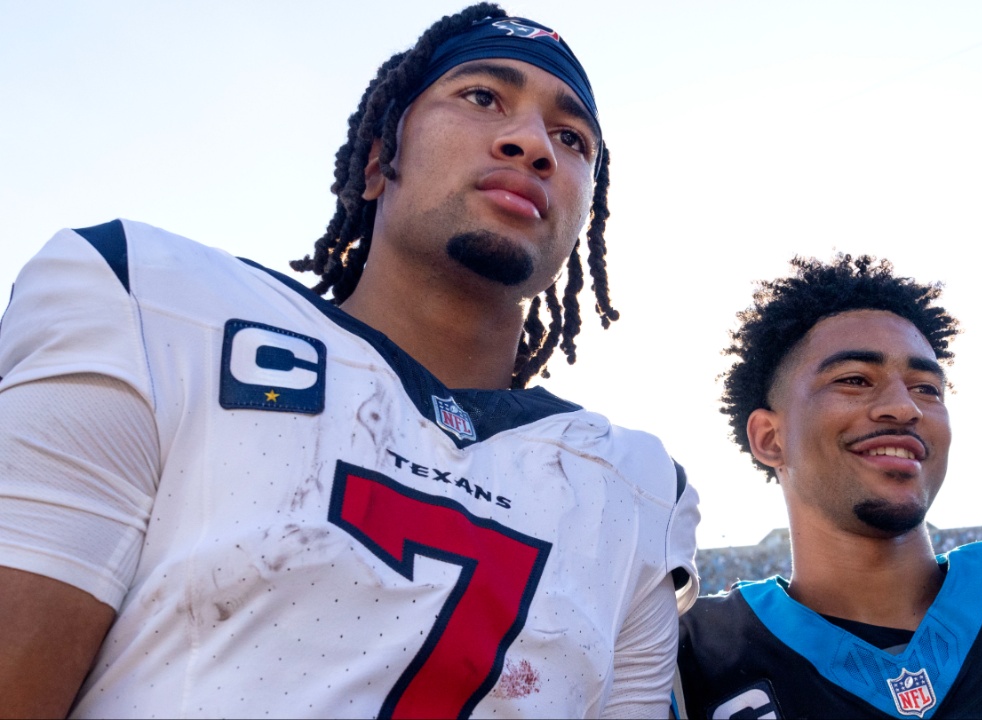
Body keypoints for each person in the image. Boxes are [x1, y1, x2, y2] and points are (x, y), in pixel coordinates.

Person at [0, 4, 699, 718]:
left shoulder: (634, 489)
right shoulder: (152, 305)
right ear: (376, 162)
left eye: (572, 137)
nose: (532, 143)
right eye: (483, 97)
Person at [674, 254, 982, 719]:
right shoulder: (689, 656)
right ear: (770, 439)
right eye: (855, 379)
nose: (905, 406)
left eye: (927, 389)